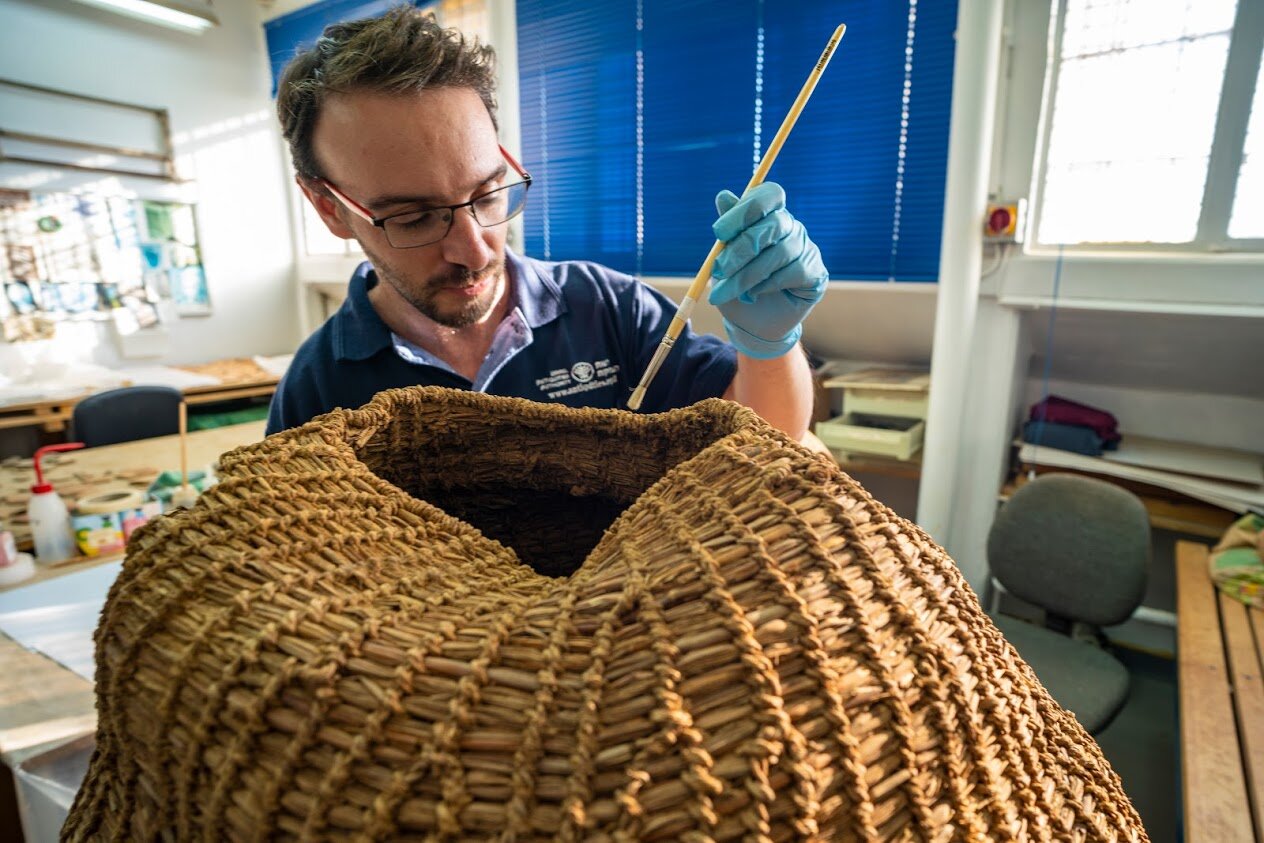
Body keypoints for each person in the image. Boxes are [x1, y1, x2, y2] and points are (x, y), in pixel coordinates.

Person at [267, 7, 829, 440]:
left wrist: (769, 344)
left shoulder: (610, 311)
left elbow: (767, 437)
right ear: (330, 208)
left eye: (488, 193)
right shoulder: (318, 391)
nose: (475, 250)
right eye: (414, 217)